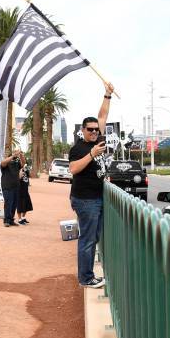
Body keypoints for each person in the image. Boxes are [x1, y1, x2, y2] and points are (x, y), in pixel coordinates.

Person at [69, 80, 115, 289]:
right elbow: (73, 169)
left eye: (96, 129)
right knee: (87, 240)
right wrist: (91, 154)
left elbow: (103, 116)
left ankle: (87, 275)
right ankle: (86, 278)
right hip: (85, 200)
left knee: (92, 237)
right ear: (83, 130)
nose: (95, 132)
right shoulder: (80, 148)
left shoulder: (97, 139)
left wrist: (107, 95)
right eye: (90, 129)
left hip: (96, 199)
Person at [1, 149, 25, 227]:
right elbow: (3, 163)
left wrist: (21, 155)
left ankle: (11, 220)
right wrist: (13, 155)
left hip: (16, 186)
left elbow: (23, 163)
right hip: (7, 186)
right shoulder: (5, 163)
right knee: (8, 203)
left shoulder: (16, 163)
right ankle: (6, 221)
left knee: (14, 204)